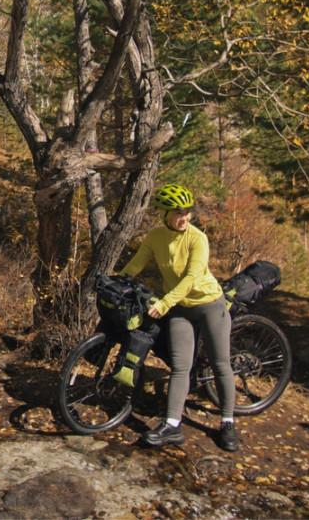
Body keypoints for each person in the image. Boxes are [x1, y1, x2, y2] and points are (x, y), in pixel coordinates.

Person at [118, 183, 238, 452]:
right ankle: (172, 425)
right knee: (181, 367)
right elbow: (137, 263)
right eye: (177, 213)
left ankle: (228, 422)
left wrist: (165, 303)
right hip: (181, 309)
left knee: (220, 364)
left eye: (187, 212)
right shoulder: (155, 237)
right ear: (164, 214)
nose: (183, 218)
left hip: (209, 305)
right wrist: (118, 281)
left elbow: (192, 277)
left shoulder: (197, 238)